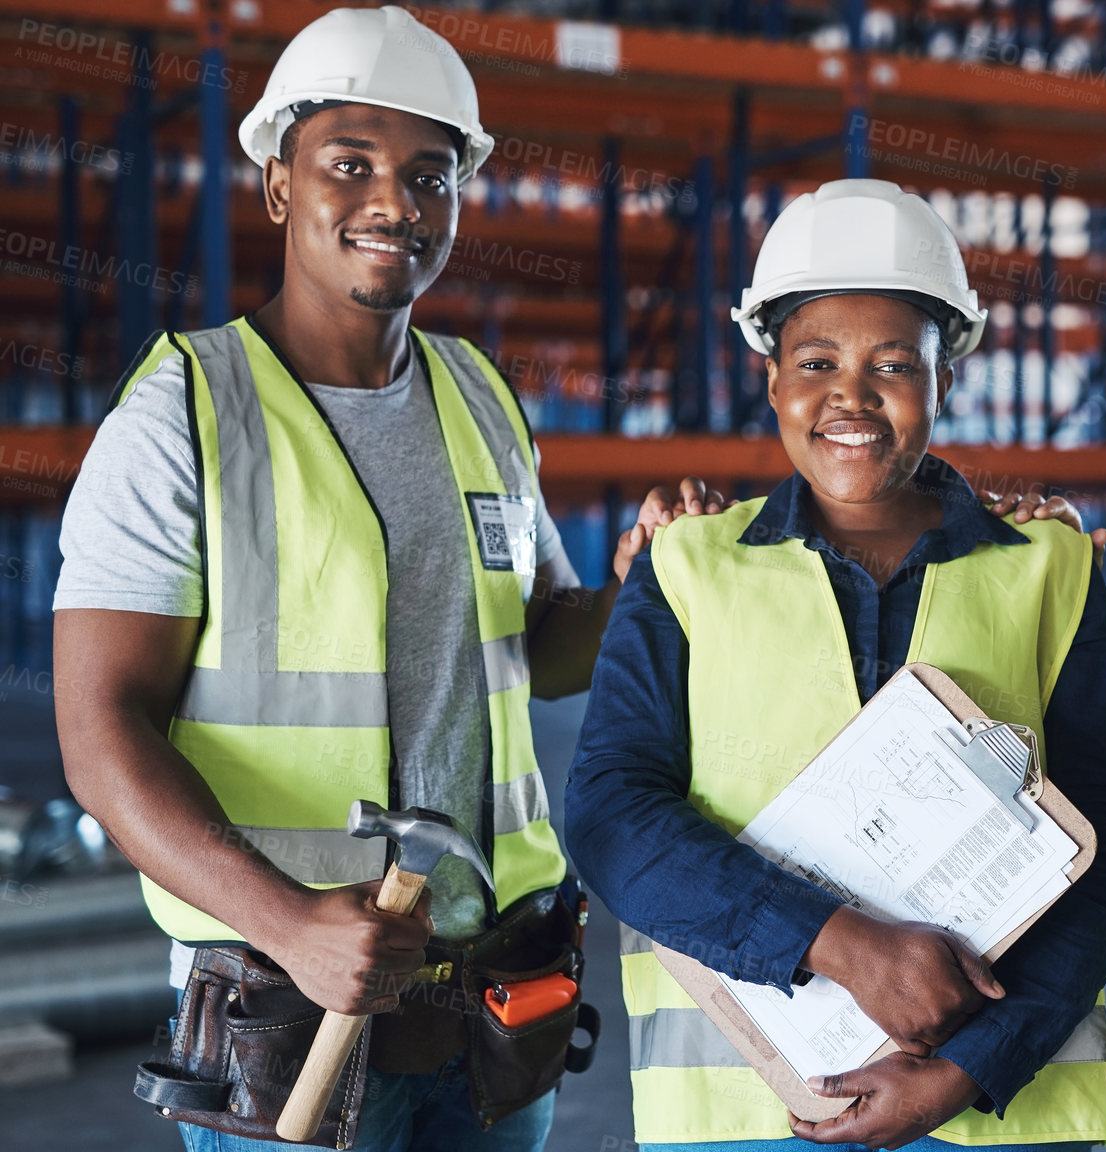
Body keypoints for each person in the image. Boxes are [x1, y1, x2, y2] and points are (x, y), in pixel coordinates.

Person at [50, 8, 734, 1151]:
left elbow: (545, 642)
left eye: (430, 175)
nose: (396, 205)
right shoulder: (185, 412)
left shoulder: (479, 396)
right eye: (351, 165)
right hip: (287, 1018)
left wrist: (646, 588)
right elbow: (97, 732)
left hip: (495, 1013)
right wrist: (289, 921)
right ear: (278, 185)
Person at [567, 178, 1106, 1152]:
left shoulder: (1049, 570)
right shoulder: (689, 566)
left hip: (1001, 1116)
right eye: (817, 361)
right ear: (771, 377)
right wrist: (839, 945)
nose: (851, 396)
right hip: (744, 1114)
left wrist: (969, 1066)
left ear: (946, 377)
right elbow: (611, 816)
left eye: (894, 364)